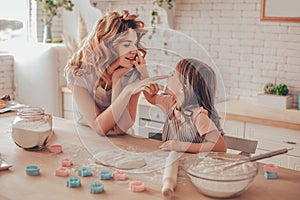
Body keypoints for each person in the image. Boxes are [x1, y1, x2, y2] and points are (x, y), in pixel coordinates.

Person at [64, 10, 162, 135]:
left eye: (135, 43)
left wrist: (117, 80)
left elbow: (121, 128)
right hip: (87, 137)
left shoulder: (132, 73)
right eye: (127, 45)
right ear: (108, 46)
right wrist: (125, 91)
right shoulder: (79, 74)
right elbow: (98, 127)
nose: (134, 50)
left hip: (121, 142)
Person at [142, 58, 227, 153]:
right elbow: (151, 98)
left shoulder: (198, 116)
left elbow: (220, 147)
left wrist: (182, 146)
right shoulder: (171, 103)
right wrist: (141, 69)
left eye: (173, 74)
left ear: (183, 87)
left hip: (195, 165)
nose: (169, 76)